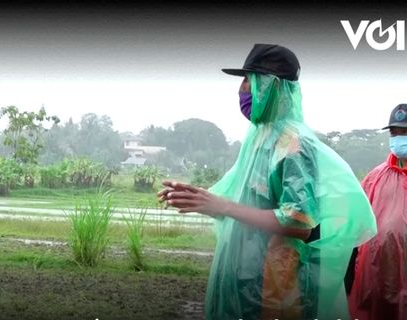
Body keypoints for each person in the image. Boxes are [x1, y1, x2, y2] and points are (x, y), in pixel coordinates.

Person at [158, 43, 377, 320]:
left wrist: (223, 206)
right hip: (249, 278)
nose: (241, 89)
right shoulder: (259, 140)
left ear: (272, 86)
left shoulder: (293, 145)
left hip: (282, 288)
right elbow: (242, 203)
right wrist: (199, 199)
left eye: (249, 80)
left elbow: (299, 223)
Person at [347, 104, 407, 320]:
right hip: (376, 280)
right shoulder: (375, 177)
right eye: (395, 132)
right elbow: (354, 225)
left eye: (405, 132)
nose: (399, 138)